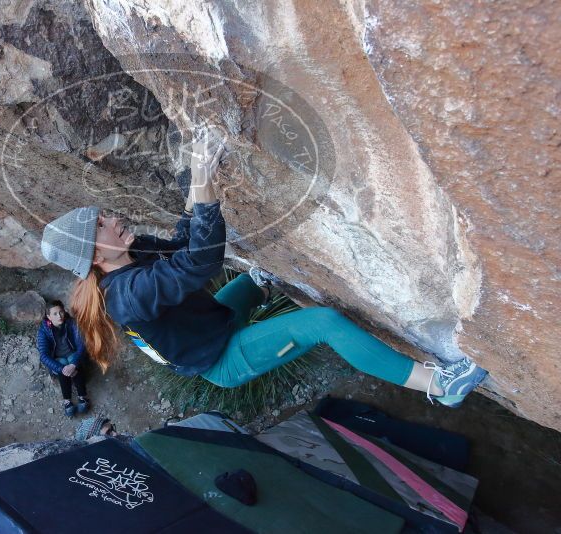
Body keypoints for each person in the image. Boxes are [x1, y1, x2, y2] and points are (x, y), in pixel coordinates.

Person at [40, 130, 488, 408]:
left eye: (104, 214)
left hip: (209, 325)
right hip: (221, 359)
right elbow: (199, 261)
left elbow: (181, 245)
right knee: (324, 323)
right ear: (97, 257)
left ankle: (261, 295)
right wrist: (203, 188)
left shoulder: (133, 256)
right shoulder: (126, 294)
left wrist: (196, 187)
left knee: (260, 280)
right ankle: (438, 386)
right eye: (102, 224)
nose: (113, 218)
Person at [36, 300, 90, 417]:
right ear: (49, 317)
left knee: (72, 360)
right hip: (58, 358)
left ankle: (82, 397)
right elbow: (44, 356)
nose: (59, 316)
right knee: (62, 364)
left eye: (61, 312)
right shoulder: (43, 331)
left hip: (72, 354)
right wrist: (62, 369)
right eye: (55, 314)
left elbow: (82, 344)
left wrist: (74, 364)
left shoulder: (72, 324)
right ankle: (67, 401)